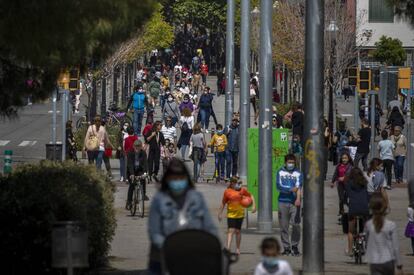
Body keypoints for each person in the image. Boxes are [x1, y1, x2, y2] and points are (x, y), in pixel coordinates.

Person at [148, 158, 218, 275]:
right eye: (174, 178)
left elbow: (209, 227)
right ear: (167, 180)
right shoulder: (159, 200)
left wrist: (211, 246)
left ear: (186, 179)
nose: (177, 181)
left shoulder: (197, 198)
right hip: (162, 260)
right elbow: (154, 233)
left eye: (181, 178)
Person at [365, 193, 403, 275]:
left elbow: (367, 242)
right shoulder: (391, 225)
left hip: (374, 261)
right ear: (385, 208)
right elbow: (395, 246)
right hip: (388, 260)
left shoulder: (368, 225)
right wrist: (399, 264)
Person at [218, 177, 256, 255]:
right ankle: (228, 248)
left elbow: (251, 196)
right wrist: (220, 213)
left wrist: (254, 206)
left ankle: (238, 249)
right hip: (231, 214)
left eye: (240, 183)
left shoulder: (242, 190)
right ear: (232, 183)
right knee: (230, 231)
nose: (239, 185)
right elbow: (223, 203)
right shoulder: (227, 192)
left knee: (238, 231)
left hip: (240, 214)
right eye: (238, 183)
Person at [276, 154, 302, 256]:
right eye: (289, 162)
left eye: (292, 162)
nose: (291, 164)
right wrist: (290, 189)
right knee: (284, 226)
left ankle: (295, 246)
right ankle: (286, 247)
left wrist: (298, 199)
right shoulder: (280, 172)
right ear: (285, 162)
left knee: (296, 225)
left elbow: (299, 187)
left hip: (295, 202)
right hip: (282, 201)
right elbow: (279, 186)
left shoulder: (298, 173)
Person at [344, 167, 369, 255]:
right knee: (366, 227)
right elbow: (368, 195)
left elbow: (345, 197)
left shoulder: (348, 183)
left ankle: (350, 250)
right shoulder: (365, 182)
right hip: (364, 208)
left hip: (353, 208)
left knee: (351, 231)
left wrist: (346, 203)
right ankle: (367, 246)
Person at [331, 152, 353, 221]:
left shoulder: (350, 166)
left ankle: (352, 209)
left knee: (346, 199)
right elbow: (335, 174)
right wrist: (333, 181)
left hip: (348, 184)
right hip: (340, 184)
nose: (344, 160)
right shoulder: (339, 165)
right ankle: (341, 212)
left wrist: (344, 177)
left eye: (345, 158)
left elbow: (349, 174)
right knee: (341, 199)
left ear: (348, 159)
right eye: (343, 158)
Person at [126, 140, 149, 209]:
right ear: (133, 146)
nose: (137, 148)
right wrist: (132, 174)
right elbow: (129, 164)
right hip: (131, 171)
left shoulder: (143, 153)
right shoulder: (130, 153)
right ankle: (129, 201)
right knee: (132, 185)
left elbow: (145, 163)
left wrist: (145, 173)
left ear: (141, 147)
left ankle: (143, 194)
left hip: (139, 170)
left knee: (143, 179)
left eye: (139, 146)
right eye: (136, 146)